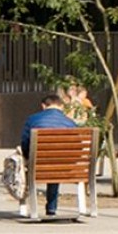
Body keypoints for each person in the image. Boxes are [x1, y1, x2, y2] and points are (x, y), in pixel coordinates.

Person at [14, 90, 80, 219]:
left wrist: (28, 157)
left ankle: (26, 205)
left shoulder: (32, 119)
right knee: (56, 164)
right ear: (61, 107)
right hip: (65, 166)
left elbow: (25, 143)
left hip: (38, 163)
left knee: (28, 163)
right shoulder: (71, 123)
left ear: (43, 106)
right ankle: (51, 208)